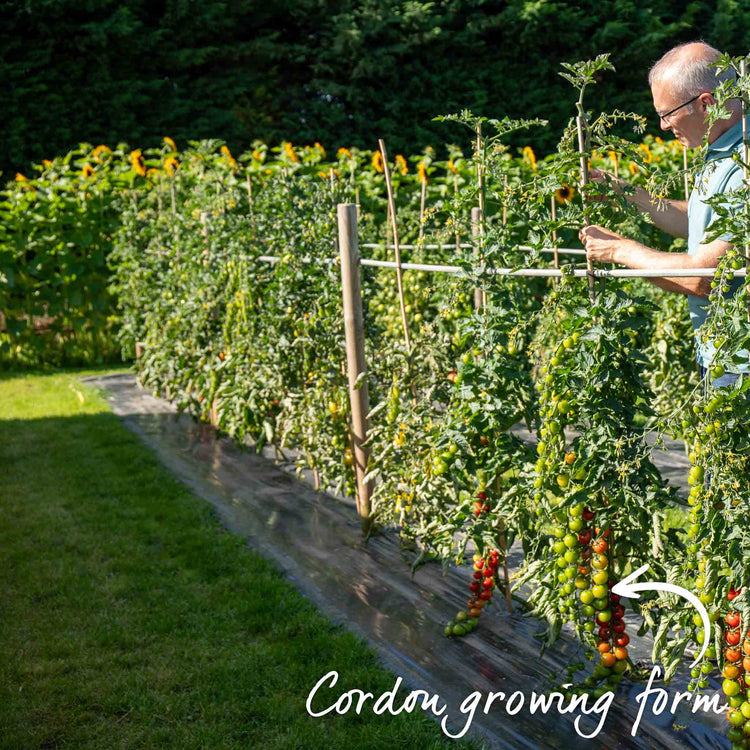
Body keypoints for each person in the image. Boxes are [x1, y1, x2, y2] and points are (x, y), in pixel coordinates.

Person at [578, 41, 748, 388]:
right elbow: (697, 224)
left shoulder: (744, 164)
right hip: (719, 353)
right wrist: (625, 194)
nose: (662, 125)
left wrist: (621, 251)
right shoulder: (720, 151)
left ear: (706, 103)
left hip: (741, 362)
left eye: (667, 113)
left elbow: (707, 276)